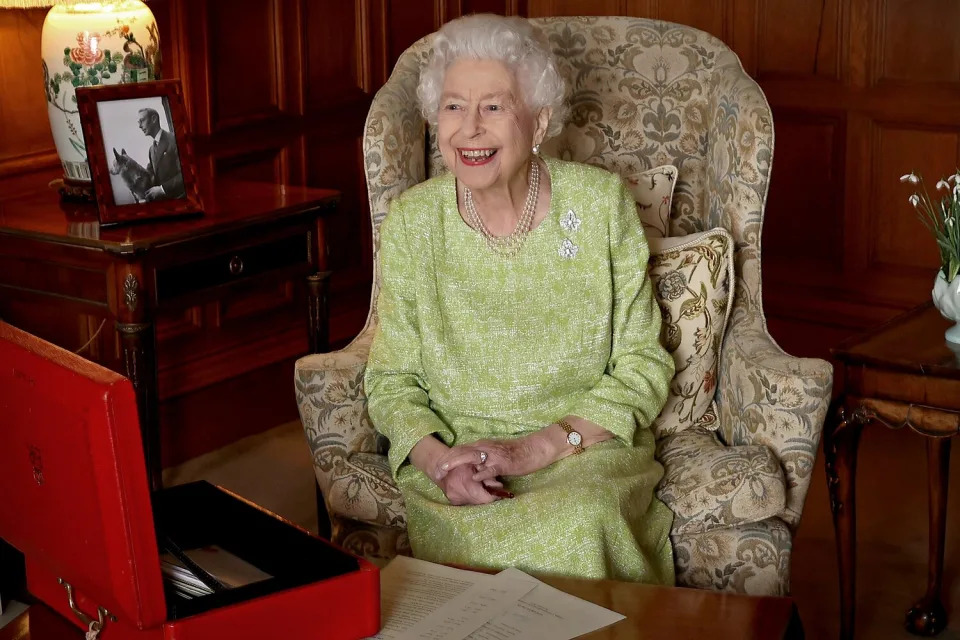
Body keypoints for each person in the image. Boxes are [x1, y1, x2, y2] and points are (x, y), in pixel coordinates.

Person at [364, 14, 676, 584]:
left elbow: (642, 364)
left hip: (582, 452)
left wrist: (535, 450)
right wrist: (439, 465)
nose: (470, 129)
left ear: (539, 121)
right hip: (459, 463)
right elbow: (391, 381)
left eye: (494, 106)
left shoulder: (601, 205)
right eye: (454, 107)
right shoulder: (413, 221)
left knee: (581, 524)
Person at [137, 107, 186, 201]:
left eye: (142, 120)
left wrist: (162, 189)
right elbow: (150, 176)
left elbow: (185, 174)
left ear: (154, 119)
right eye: (138, 122)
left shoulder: (174, 140)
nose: (139, 126)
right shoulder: (151, 150)